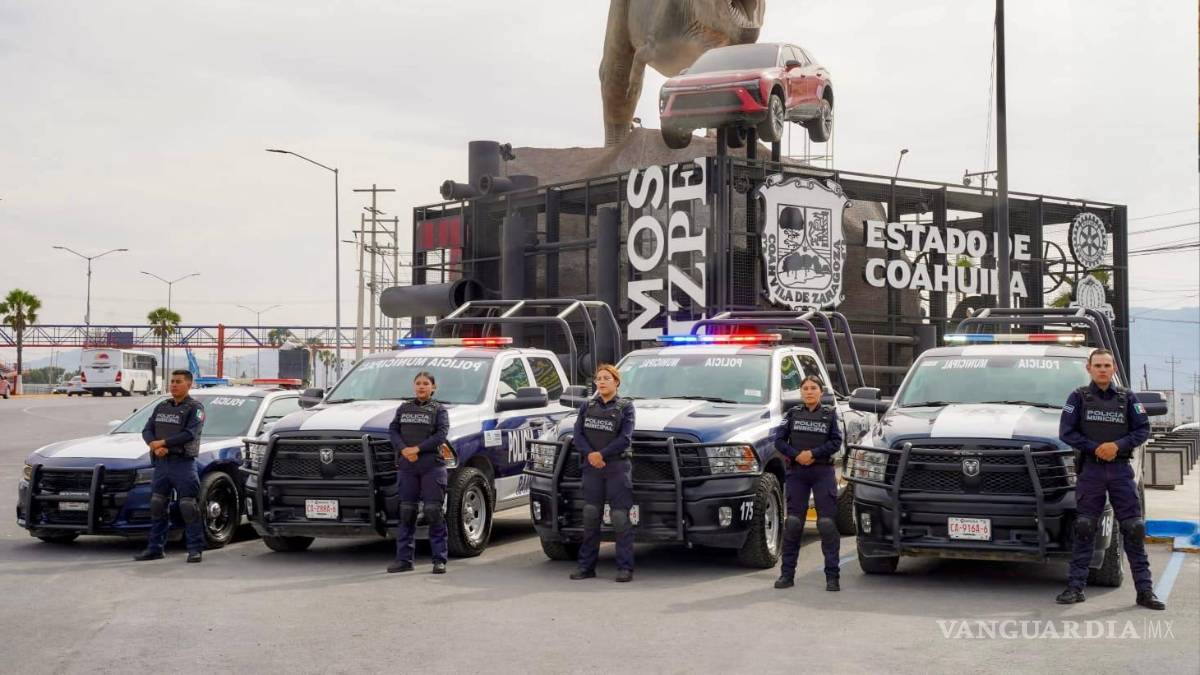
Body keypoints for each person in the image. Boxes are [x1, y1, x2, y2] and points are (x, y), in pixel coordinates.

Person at [1056, 349, 1164, 609]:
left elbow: (1143, 429)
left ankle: (1145, 592)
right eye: (1098, 365)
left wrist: (1117, 446)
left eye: (1107, 365)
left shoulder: (1128, 398)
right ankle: (1075, 588)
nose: (1102, 370)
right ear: (1089, 368)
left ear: (1114, 368)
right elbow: (1066, 432)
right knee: (1085, 527)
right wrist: (1095, 448)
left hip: (1120, 470)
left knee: (1134, 529)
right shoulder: (1078, 397)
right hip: (1091, 470)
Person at [773, 375, 843, 591]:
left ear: (821, 392)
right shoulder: (792, 414)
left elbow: (836, 441)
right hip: (797, 473)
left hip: (822, 472)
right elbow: (779, 441)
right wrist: (797, 455)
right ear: (801, 392)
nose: (809, 392)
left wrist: (812, 454)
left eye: (813, 388)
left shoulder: (829, 414)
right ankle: (787, 575)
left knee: (827, 525)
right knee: (793, 523)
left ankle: (832, 577)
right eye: (805, 388)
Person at [570, 364, 637, 582]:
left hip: (617, 467)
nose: (601, 382)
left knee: (619, 518)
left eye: (606, 378)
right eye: (598, 378)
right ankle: (586, 567)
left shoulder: (626, 407)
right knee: (590, 516)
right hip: (592, 468)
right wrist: (591, 455)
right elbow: (578, 434)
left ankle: (625, 568)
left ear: (616, 382)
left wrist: (601, 454)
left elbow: (625, 438)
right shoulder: (587, 406)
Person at [133, 370, 206, 563]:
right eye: (172, 381)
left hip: (183, 464)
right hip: (161, 463)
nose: (173, 384)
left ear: (188, 385)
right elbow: (147, 429)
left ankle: (195, 549)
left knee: (188, 506)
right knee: (157, 504)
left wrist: (163, 443)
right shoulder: (162, 406)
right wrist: (153, 445)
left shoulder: (195, 408)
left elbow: (190, 434)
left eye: (178, 381)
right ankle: (155, 549)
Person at [387, 371, 450, 574]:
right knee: (407, 512)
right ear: (414, 386)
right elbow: (393, 431)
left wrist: (417, 449)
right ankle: (404, 560)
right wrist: (404, 450)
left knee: (433, 512)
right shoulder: (403, 408)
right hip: (407, 466)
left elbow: (441, 435)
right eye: (418, 383)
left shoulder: (439, 410)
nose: (421, 386)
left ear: (433, 387)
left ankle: (439, 560)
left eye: (426, 383)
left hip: (432, 466)